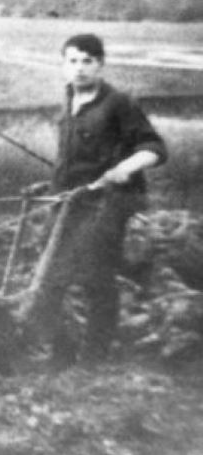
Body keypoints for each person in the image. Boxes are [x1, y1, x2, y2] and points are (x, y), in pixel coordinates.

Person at [27, 33, 167, 363]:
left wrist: (124, 169)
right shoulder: (68, 102)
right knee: (50, 274)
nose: (80, 69)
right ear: (63, 66)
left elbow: (155, 149)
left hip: (110, 202)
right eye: (73, 61)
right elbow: (70, 160)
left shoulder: (118, 104)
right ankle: (57, 351)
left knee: (95, 275)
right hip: (68, 202)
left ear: (100, 65)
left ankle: (94, 357)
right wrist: (47, 187)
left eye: (88, 61)